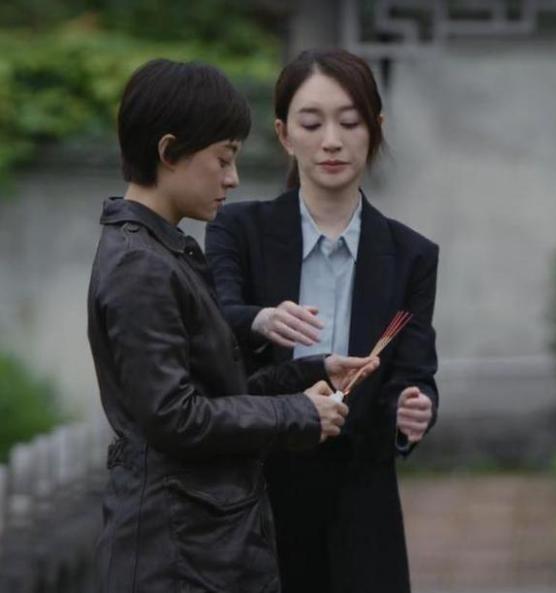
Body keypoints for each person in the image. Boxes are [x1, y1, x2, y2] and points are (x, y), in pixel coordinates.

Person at [87, 58, 378, 593]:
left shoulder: (164, 250)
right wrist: (297, 414)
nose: (232, 178)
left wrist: (309, 374)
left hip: (199, 542)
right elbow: (176, 418)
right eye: (223, 159)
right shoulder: (139, 265)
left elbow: (217, 392)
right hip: (175, 555)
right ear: (169, 151)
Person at [205, 48, 439, 593]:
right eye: (312, 123)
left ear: (375, 130)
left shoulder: (412, 255)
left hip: (363, 498)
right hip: (259, 490)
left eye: (350, 122)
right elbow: (216, 321)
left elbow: (413, 371)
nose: (331, 140)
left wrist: (414, 408)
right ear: (284, 134)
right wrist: (262, 319)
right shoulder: (238, 230)